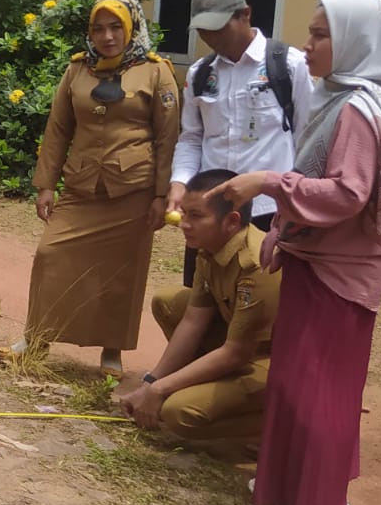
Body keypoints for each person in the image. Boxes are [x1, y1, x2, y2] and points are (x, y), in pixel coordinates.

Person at [210, 0, 381, 505]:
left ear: (355, 42)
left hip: (343, 272)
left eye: (320, 35)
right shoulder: (342, 99)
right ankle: (295, 487)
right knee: (296, 382)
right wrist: (285, 233)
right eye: (309, 34)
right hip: (318, 263)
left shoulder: (359, 109)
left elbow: (348, 194)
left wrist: (265, 183)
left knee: (325, 392)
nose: (307, 46)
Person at [3, 0, 180, 376]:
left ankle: (112, 351)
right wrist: (46, 185)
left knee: (121, 273)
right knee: (50, 255)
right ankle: (36, 338)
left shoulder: (156, 71)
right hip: (82, 186)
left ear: (131, 27)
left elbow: (168, 138)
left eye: (116, 26)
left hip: (133, 189)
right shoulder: (77, 69)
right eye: (98, 28)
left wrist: (162, 195)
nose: (107, 36)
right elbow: (57, 130)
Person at [118, 169, 280, 453]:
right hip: (239, 344)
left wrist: (160, 392)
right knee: (169, 302)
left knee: (178, 413)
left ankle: (275, 426)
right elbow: (193, 321)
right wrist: (151, 383)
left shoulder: (257, 264)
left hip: (274, 364)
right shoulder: (210, 247)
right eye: (185, 213)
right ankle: (202, 387)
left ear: (231, 222)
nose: (184, 223)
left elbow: (235, 353)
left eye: (196, 216)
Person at [168, 0, 311, 285]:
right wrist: (179, 182)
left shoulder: (288, 65)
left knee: (260, 308)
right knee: (202, 304)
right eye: (203, 31)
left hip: (268, 212)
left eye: (219, 28)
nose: (211, 38)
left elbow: (309, 139)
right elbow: (192, 137)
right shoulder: (200, 74)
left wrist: (297, 206)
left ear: (245, 14)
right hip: (211, 215)